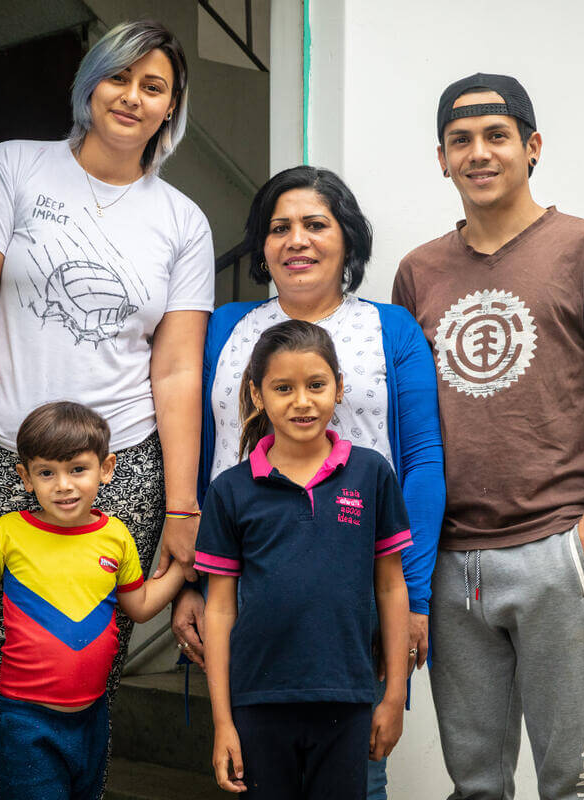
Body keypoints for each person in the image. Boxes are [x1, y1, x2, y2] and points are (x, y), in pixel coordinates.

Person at [0, 20, 213, 798]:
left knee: (84, 683)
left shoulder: (182, 220)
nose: (133, 97)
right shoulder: (12, 167)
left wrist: (182, 505)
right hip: (2, 460)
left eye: (154, 86)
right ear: (90, 83)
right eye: (119, 77)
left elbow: (178, 369)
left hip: (123, 471)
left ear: (171, 107)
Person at [392, 73, 584, 800]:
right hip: (451, 562)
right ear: (441, 159)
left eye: (497, 136)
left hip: (554, 549)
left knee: (574, 784)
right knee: (475, 785)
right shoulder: (418, 272)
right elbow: (409, 422)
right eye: (460, 140)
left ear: (532, 146)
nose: (478, 153)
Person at [170, 165, 445, 798]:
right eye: (279, 228)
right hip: (245, 587)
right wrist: (190, 580)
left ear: (347, 239)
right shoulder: (225, 328)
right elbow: (201, 456)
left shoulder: (391, 329)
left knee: (357, 773)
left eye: (315, 224)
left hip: (354, 592)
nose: (296, 240)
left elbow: (424, 465)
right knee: (257, 766)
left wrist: (415, 597)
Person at [196, 320, 411, 798]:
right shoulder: (229, 491)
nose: (302, 401)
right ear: (257, 394)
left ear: (339, 387)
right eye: (283, 388)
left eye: (316, 385)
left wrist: (394, 696)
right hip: (257, 700)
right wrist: (222, 721)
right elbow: (220, 608)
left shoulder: (371, 474)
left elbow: (391, 586)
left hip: (346, 697)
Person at [0, 402, 187, 800]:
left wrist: (188, 563)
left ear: (106, 469)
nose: (63, 485)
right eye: (47, 472)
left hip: (92, 718)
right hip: (26, 722)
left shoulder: (116, 536)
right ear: (25, 477)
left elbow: (139, 606)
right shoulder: (9, 532)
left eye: (78, 469)